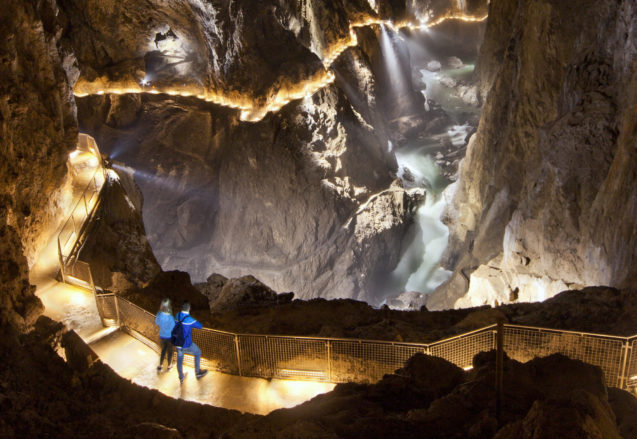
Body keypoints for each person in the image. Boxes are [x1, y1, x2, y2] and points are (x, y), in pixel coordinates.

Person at [175, 301, 208, 383]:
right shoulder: (189, 319)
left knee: (179, 360)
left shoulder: (177, 315)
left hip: (178, 343)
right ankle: (198, 372)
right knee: (198, 352)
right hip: (186, 344)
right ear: (189, 309)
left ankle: (181, 377)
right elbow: (200, 326)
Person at [154, 298, 175, 372]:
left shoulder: (159, 314)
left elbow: (156, 322)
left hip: (162, 335)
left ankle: (160, 365)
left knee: (163, 350)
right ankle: (169, 366)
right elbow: (173, 326)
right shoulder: (170, 317)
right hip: (169, 337)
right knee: (170, 352)